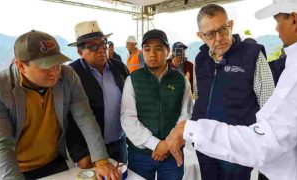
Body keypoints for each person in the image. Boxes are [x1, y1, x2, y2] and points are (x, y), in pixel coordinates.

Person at [166, 0, 297, 180]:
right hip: (214, 149)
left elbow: (264, 140)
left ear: (294, 20)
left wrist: (190, 129)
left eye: (277, 20)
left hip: (243, 150)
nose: (276, 29)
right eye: (210, 34)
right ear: (201, 36)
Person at [0, 30, 120, 180]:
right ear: (21, 66)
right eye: (45, 66)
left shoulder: (68, 76)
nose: (55, 72)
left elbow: (85, 117)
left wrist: (101, 160)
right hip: (13, 168)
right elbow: (0, 146)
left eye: (57, 64)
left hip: (53, 163)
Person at [179, 4, 274, 180]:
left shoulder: (252, 55)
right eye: (210, 34)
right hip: (205, 144)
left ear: (230, 24)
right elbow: (199, 96)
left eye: (223, 29)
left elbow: (269, 106)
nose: (219, 38)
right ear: (200, 36)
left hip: (236, 147)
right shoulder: (200, 59)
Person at [120, 29, 193, 180]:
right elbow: (128, 118)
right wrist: (156, 145)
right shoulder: (133, 80)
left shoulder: (180, 80)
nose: (152, 54)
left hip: (173, 153)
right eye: (147, 49)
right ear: (143, 52)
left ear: (167, 51)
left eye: (158, 48)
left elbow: (186, 115)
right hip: (140, 154)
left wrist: (169, 144)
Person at [66, 21, 129, 169]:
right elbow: (68, 118)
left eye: (103, 44)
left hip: (119, 143)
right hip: (89, 150)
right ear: (80, 52)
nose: (101, 49)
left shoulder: (119, 68)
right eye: (93, 47)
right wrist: (80, 153)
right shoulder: (71, 74)